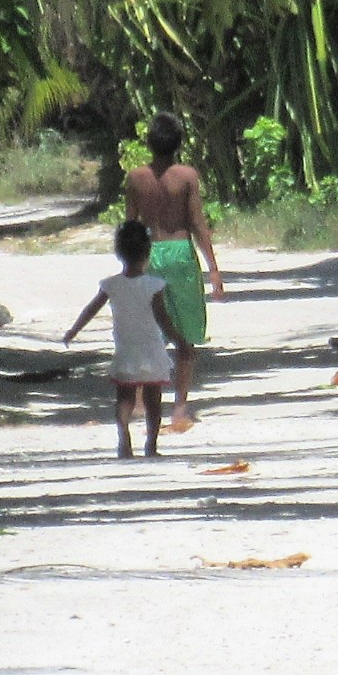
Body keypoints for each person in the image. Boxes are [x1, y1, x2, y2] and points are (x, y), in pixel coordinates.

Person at [124, 113, 224, 430]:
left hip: (149, 253)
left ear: (149, 143)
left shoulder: (135, 178)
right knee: (184, 335)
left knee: (147, 332)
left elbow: (131, 227)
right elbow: (197, 223)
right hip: (180, 252)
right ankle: (180, 407)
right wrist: (214, 270)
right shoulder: (187, 176)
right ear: (179, 144)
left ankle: (140, 402)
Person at [65, 219, 188, 457]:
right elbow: (163, 319)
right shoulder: (154, 285)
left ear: (118, 253)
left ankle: (124, 441)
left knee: (124, 399)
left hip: (126, 350)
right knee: (153, 400)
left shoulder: (111, 285)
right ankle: (151, 445)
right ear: (147, 252)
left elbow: (91, 309)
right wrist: (180, 341)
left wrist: (74, 330)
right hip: (151, 351)